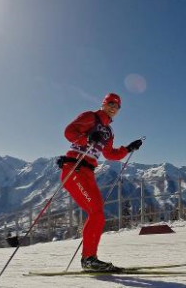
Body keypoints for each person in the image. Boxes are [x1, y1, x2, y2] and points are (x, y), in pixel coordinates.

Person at [58, 93, 143, 271]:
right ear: (104, 104)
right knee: (96, 212)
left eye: (117, 106)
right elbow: (69, 131)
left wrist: (128, 149)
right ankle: (88, 259)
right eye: (111, 103)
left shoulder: (109, 132)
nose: (114, 107)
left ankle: (90, 259)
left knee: (99, 214)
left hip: (88, 172)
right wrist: (87, 138)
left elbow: (109, 154)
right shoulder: (91, 116)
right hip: (75, 168)